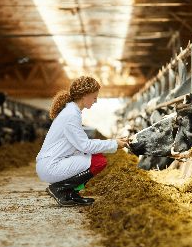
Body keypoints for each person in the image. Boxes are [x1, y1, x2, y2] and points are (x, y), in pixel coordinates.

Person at [36, 76, 128, 207]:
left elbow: (82, 144)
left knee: (97, 156)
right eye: (95, 97)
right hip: (51, 166)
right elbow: (85, 145)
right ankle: (61, 189)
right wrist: (114, 143)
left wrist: (112, 142)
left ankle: (72, 193)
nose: (95, 101)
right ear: (85, 96)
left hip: (53, 161)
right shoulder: (71, 115)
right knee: (99, 162)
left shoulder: (72, 112)